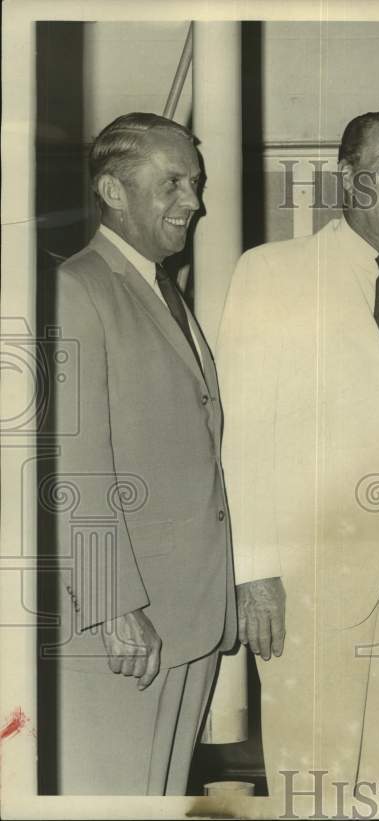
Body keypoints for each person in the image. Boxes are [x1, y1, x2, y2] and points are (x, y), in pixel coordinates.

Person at [216, 108, 379, 806]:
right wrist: (253, 572)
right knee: (315, 775)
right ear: (347, 174)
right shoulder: (273, 272)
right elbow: (241, 431)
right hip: (308, 576)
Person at [44, 112, 235, 794]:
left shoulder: (163, 291)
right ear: (113, 190)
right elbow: (71, 462)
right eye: (174, 183)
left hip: (185, 620)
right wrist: (112, 601)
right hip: (121, 628)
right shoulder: (77, 288)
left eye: (197, 182)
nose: (195, 201)